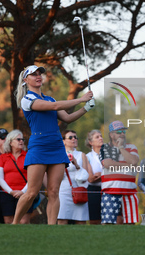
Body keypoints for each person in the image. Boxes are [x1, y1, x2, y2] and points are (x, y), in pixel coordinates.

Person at [12, 65, 94, 225]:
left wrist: (86, 108)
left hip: (56, 147)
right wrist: (81, 99)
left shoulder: (50, 98)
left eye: (39, 74)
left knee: (54, 191)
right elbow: (55, 107)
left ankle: (51, 228)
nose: (38, 76)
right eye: (34, 74)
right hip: (39, 147)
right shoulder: (27, 99)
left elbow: (67, 118)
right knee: (32, 192)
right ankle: (14, 224)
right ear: (25, 80)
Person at [99, 121, 139, 224]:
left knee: (130, 223)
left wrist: (121, 148)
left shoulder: (132, 147)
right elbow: (108, 164)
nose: (122, 134)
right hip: (110, 191)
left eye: (123, 132)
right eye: (118, 132)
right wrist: (128, 166)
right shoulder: (105, 147)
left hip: (129, 191)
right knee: (108, 223)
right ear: (111, 135)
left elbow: (134, 161)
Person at [0, 129, 39, 224]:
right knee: (8, 221)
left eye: (22, 139)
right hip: (7, 193)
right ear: (10, 142)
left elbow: (32, 177)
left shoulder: (28, 156)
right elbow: (0, 178)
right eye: (18, 139)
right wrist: (10, 191)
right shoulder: (3, 157)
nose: (21, 141)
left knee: (24, 221)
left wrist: (22, 191)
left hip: (25, 193)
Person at [57, 130, 90, 224]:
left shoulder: (81, 155)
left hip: (79, 189)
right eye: (70, 137)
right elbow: (55, 175)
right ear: (63, 141)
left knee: (80, 220)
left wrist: (76, 164)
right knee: (62, 219)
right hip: (63, 190)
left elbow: (85, 176)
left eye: (75, 137)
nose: (74, 139)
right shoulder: (58, 154)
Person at [85, 129, 103, 225]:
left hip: (109, 189)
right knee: (95, 220)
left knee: (112, 220)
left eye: (101, 136)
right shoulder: (87, 157)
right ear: (91, 142)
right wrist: (106, 173)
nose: (101, 138)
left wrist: (100, 174)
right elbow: (91, 179)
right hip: (93, 191)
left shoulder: (110, 155)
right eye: (97, 137)